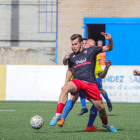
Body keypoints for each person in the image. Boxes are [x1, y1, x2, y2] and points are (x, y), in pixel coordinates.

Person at [50, 32, 117, 132]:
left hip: (90, 83)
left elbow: (109, 48)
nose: (73, 46)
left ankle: (105, 124)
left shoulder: (91, 50)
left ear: (81, 43)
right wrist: (66, 81)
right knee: (65, 89)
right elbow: (68, 68)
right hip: (77, 81)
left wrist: (110, 40)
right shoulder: (72, 56)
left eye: (75, 44)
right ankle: (58, 115)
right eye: (72, 44)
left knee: (101, 107)